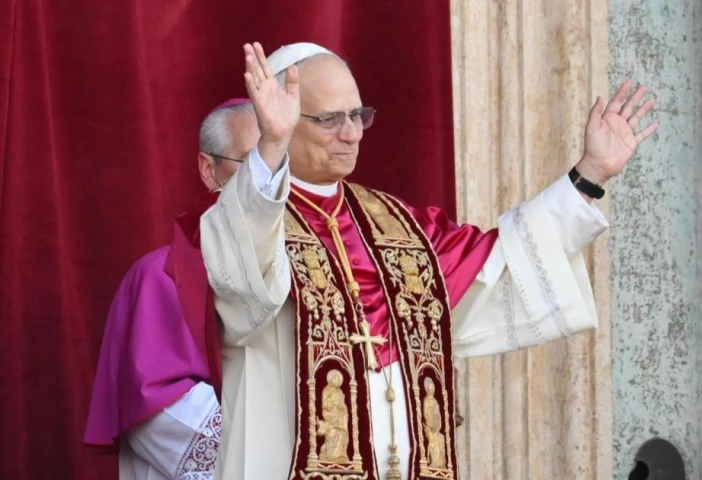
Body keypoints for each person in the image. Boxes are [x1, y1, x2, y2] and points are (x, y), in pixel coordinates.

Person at [200, 41, 658, 480]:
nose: (352, 133)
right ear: (283, 119)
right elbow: (244, 288)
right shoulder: (254, 213)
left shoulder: (400, 226)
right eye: (330, 119)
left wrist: (590, 175)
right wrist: (271, 148)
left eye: (358, 115)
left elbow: (500, 261)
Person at [84, 98, 259, 479]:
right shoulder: (162, 276)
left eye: (280, 164)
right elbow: (157, 409)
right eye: (252, 162)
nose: (269, 181)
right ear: (209, 170)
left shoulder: (316, 272)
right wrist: (273, 449)